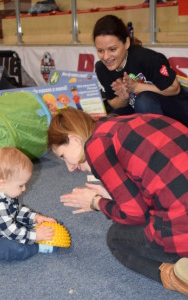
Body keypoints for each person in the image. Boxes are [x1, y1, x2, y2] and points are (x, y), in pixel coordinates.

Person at [47, 107, 188, 296]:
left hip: (183, 227)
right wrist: (112, 195)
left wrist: (95, 203)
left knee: (115, 238)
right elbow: (153, 177)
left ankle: (176, 277)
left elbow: (136, 215)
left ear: (73, 139)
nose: (70, 168)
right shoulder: (117, 124)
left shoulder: (95, 148)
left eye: (64, 157)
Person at [93, 15, 188, 127]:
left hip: (177, 111)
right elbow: (113, 103)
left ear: (127, 43)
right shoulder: (101, 68)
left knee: (143, 100)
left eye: (112, 49)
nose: (106, 56)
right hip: (140, 110)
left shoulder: (146, 58)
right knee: (109, 121)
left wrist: (138, 87)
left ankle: (160, 142)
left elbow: (174, 88)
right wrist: (124, 97)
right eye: (100, 50)